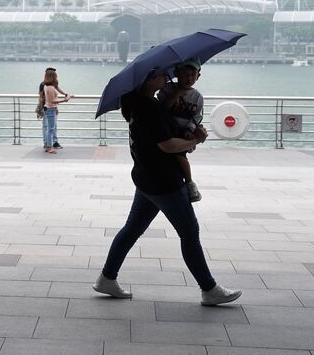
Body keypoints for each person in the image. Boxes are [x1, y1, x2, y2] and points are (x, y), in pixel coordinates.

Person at [93, 68, 241, 306]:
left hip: (145, 176)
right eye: (162, 75)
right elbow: (167, 145)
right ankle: (209, 288)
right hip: (164, 181)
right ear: (150, 78)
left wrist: (185, 138)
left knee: (132, 229)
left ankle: (107, 278)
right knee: (189, 233)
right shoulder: (149, 107)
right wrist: (195, 140)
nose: (167, 78)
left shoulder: (133, 103)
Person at [159, 59, 209, 202]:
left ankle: (188, 182)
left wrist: (190, 131)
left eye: (193, 75)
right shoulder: (168, 89)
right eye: (185, 74)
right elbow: (162, 109)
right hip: (168, 127)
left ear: (198, 76)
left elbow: (197, 117)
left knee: (179, 155)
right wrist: (176, 95)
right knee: (179, 155)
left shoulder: (197, 96)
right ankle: (188, 182)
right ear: (176, 74)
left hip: (184, 130)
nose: (189, 78)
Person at [40, 67, 72, 153]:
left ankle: (47, 146)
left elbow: (52, 97)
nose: (57, 77)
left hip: (48, 108)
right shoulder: (50, 88)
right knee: (51, 129)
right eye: (55, 76)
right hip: (50, 109)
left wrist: (66, 95)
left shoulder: (46, 85)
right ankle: (50, 147)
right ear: (53, 77)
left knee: (49, 129)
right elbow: (52, 100)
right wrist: (64, 100)